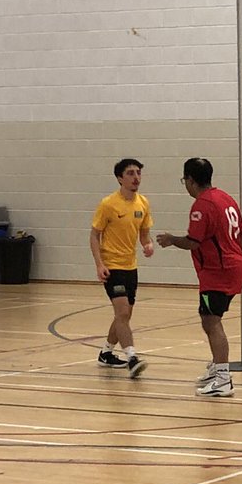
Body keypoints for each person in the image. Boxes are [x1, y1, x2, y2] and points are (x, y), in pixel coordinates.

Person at [156, 158, 242, 398]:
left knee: (211, 321)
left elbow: (193, 242)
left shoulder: (202, 205)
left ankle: (223, 378)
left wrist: (171, 239)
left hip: (218, 271)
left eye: (184, 180)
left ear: (191, 180)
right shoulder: (226, 197)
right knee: (209, 318)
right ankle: (216, 367)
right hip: (232, 265)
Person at [90, 158, 154, 379]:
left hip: (131, 266)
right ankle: (132, 358)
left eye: (138, 173)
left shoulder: (143, 203)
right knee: (123, 312)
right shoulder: (108, 204)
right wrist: (99, 264)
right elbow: (94, 234)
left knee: (124, 316)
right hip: (112, 266)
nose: (136, 177)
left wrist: (148, 244)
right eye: (130, 173)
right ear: (120, 178)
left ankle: (106, 353)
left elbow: (144, 233)